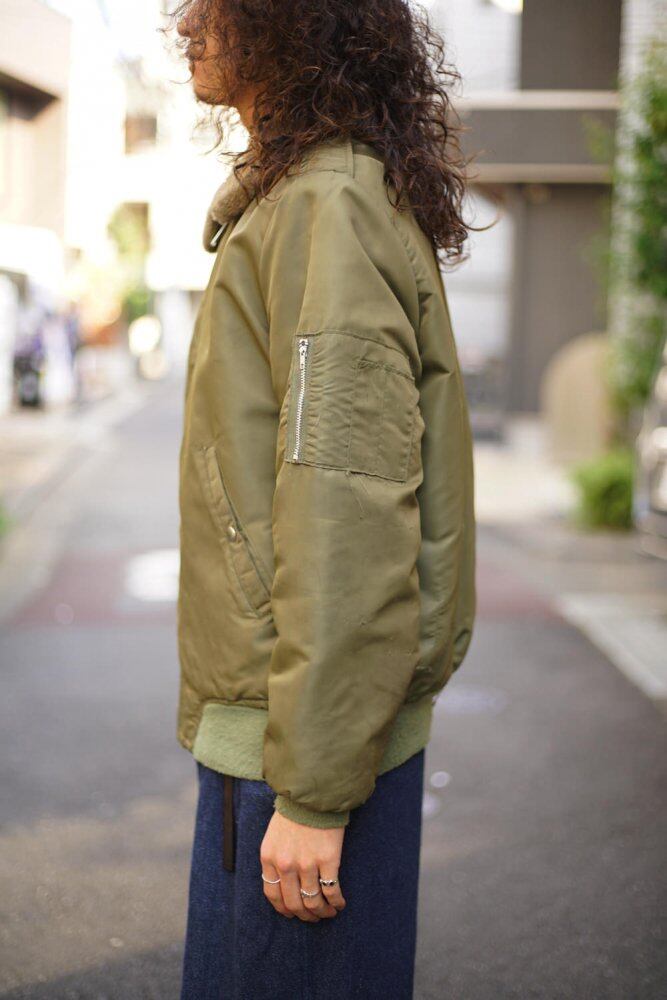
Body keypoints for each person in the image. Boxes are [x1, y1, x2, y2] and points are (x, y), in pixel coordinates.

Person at [172, 1, 476, 997]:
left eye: (212, 4)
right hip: (296, 731)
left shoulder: (324, 208)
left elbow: (346, 511)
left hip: (298, 753)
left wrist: (312, 790)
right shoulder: (305, 197)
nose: (185, 23)